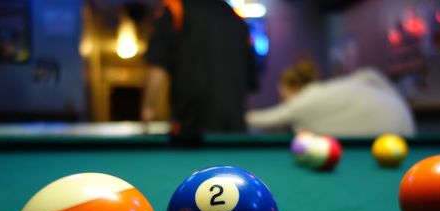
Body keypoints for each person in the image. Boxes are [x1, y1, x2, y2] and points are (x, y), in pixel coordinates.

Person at [141, 0, 257, 141]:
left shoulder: (176, 8)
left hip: (191, 128)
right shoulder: (237, 18)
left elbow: (157, 65)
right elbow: (250, 79)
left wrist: (148, 108)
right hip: (234, 126)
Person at [246, 63, 416, 137]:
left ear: (296, 86)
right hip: (409, 130)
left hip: (390, 137)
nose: (282, 98)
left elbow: (259, 120)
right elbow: (371, 74)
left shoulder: (305, 101)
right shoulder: (328, 90)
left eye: (282, 93)